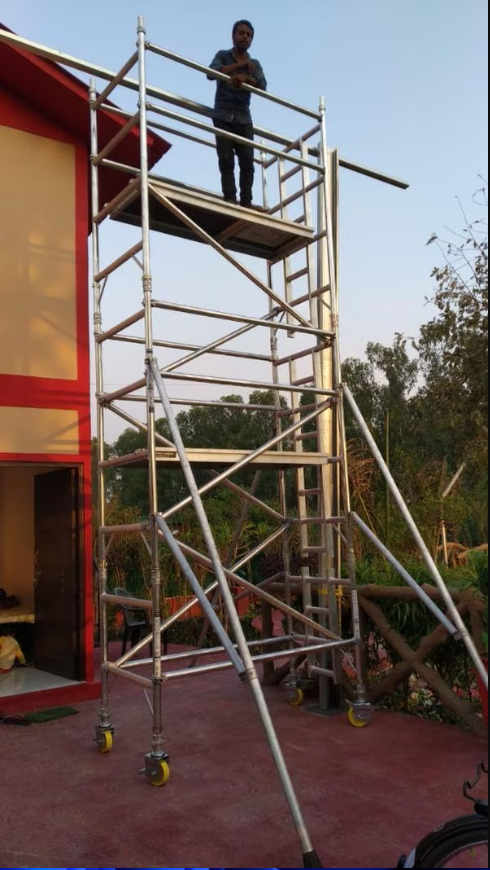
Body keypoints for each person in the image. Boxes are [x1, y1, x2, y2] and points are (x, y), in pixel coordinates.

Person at [208, 20, 267, 208]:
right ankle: (230, 198)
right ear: (233, 36)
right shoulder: (223, 55)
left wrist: (246, 78)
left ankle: (246, 201)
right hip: (223, 113)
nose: (245, 37)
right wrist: (237, 67)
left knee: (247, 161)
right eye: (241, 33)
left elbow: (263, 85)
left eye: (249, 35)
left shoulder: (254, 64)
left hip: (243, 117)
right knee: (226, 159)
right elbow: (211, 73)